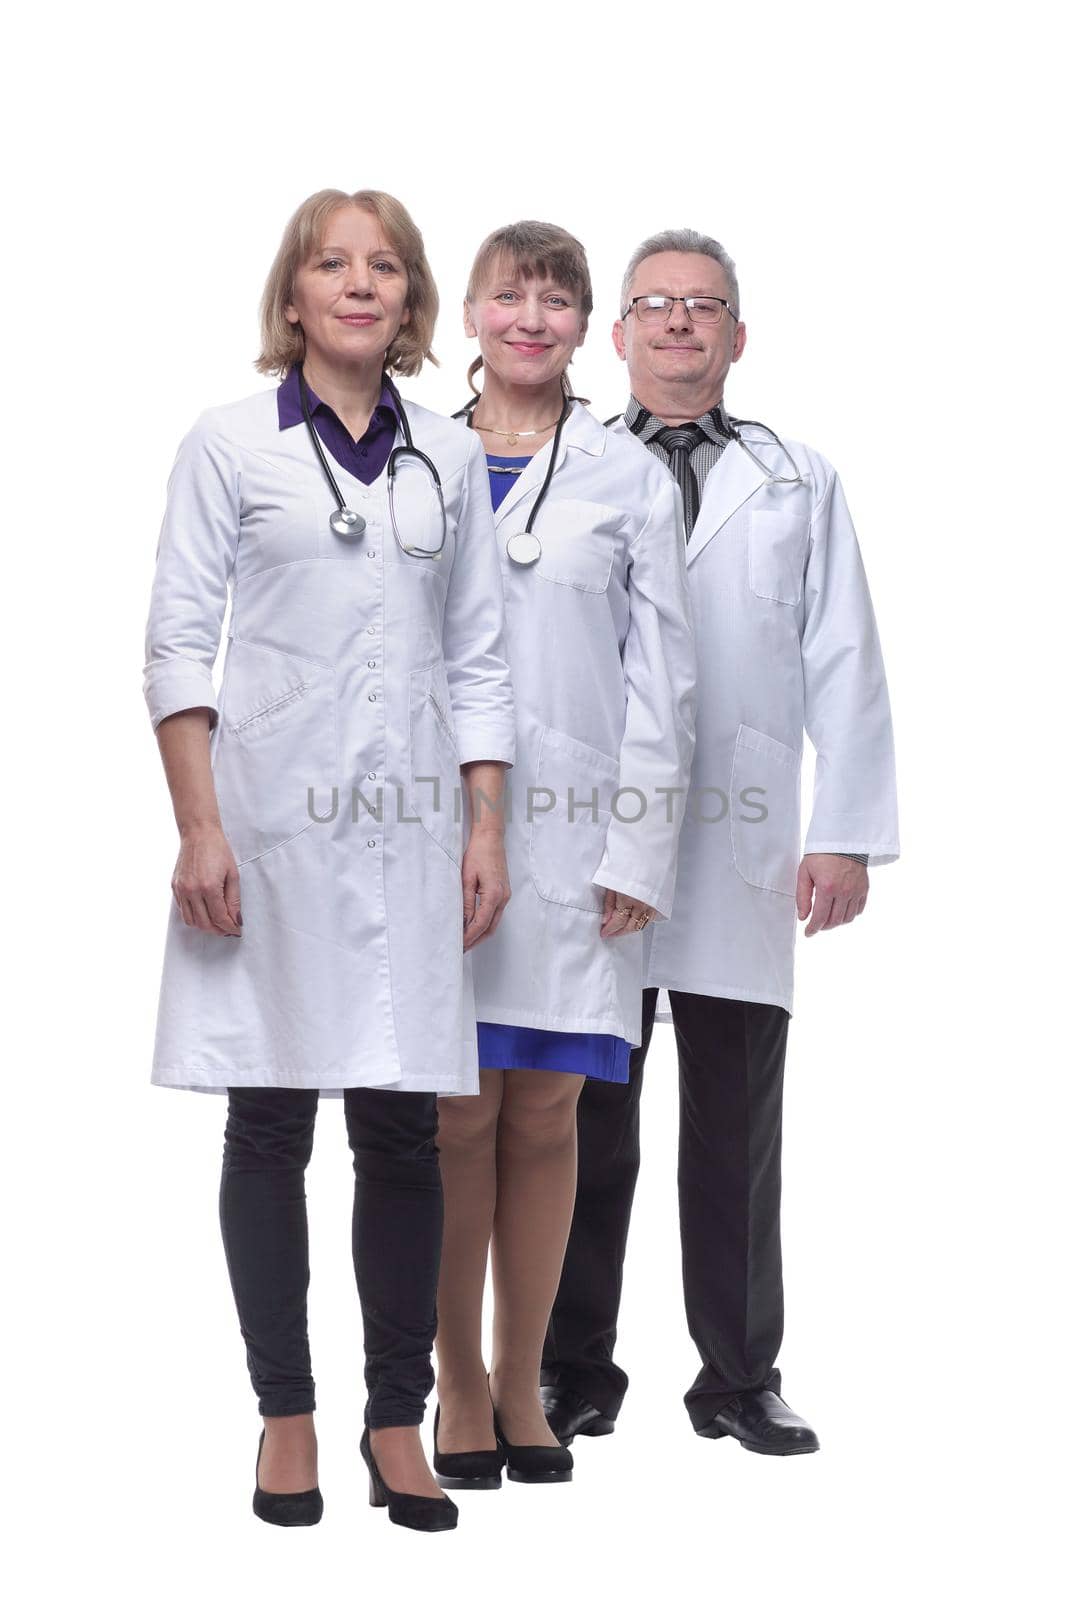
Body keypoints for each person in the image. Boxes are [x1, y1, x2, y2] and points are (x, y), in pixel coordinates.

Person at [142, 188, 515, 1531]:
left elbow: (478, 654)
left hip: (411, 835)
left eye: (385, 267)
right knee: (268, 1116)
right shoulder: (228, 444)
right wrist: (199, 824)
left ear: (411, 301)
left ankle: (391, 1422)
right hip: (271, 830)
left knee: (401, 1129)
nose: (359, 285)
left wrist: (483, 824)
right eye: (330, 264)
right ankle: (286, 1414)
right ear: (292, 296)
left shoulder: (446, 456)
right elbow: (180, 646)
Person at [542, 228, 899, 1456]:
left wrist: (843, 830)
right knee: (580, 1118)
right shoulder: (558, 465)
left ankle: (739, 1377)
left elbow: (842, 656)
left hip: (740, 842)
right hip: (588, 842)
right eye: (655, 304)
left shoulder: (796, 479)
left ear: (737, 338)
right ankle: (564, 1366)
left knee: (736, 1128)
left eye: (705, 307)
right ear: (617, 334)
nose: (680, 323)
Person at [431, 222, 696, 1491]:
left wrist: (641, 841)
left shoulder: (624, 474)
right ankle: (458, 1389)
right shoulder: (413, 457)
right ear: (471, 312)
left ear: (582, 325)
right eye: (508, 294)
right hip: (430, 831)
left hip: (583, 834)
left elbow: (667, 678)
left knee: (545, 1115)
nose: (529, 316)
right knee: (447, 1116)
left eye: (555, 298)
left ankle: (524, 1378)